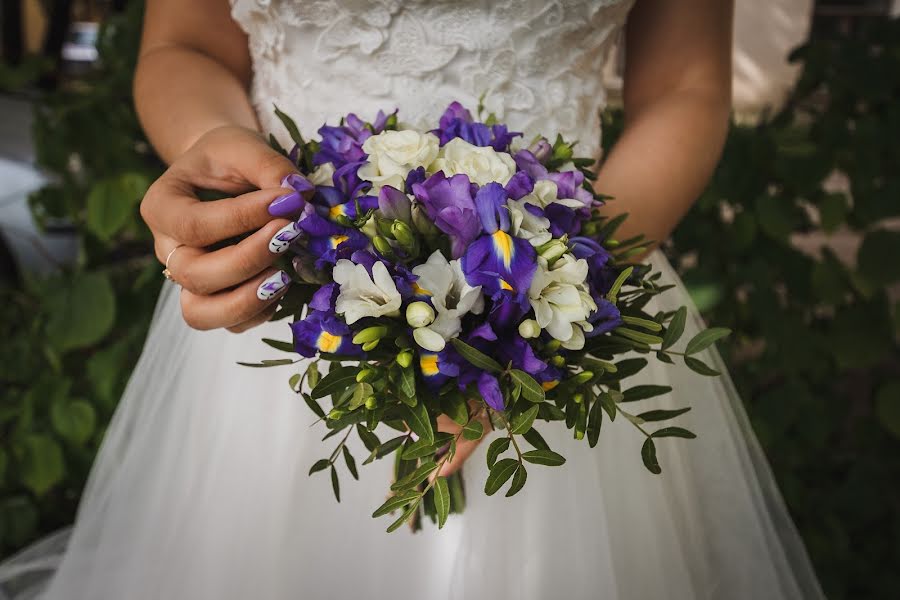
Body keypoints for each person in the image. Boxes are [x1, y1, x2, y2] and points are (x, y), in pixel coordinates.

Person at [0, 0, 825, 598]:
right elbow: (183, 43)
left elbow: (684, 86)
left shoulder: (551, 299)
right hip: (292, 308)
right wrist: (217, 156)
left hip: (557, 308)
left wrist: (544, 298)